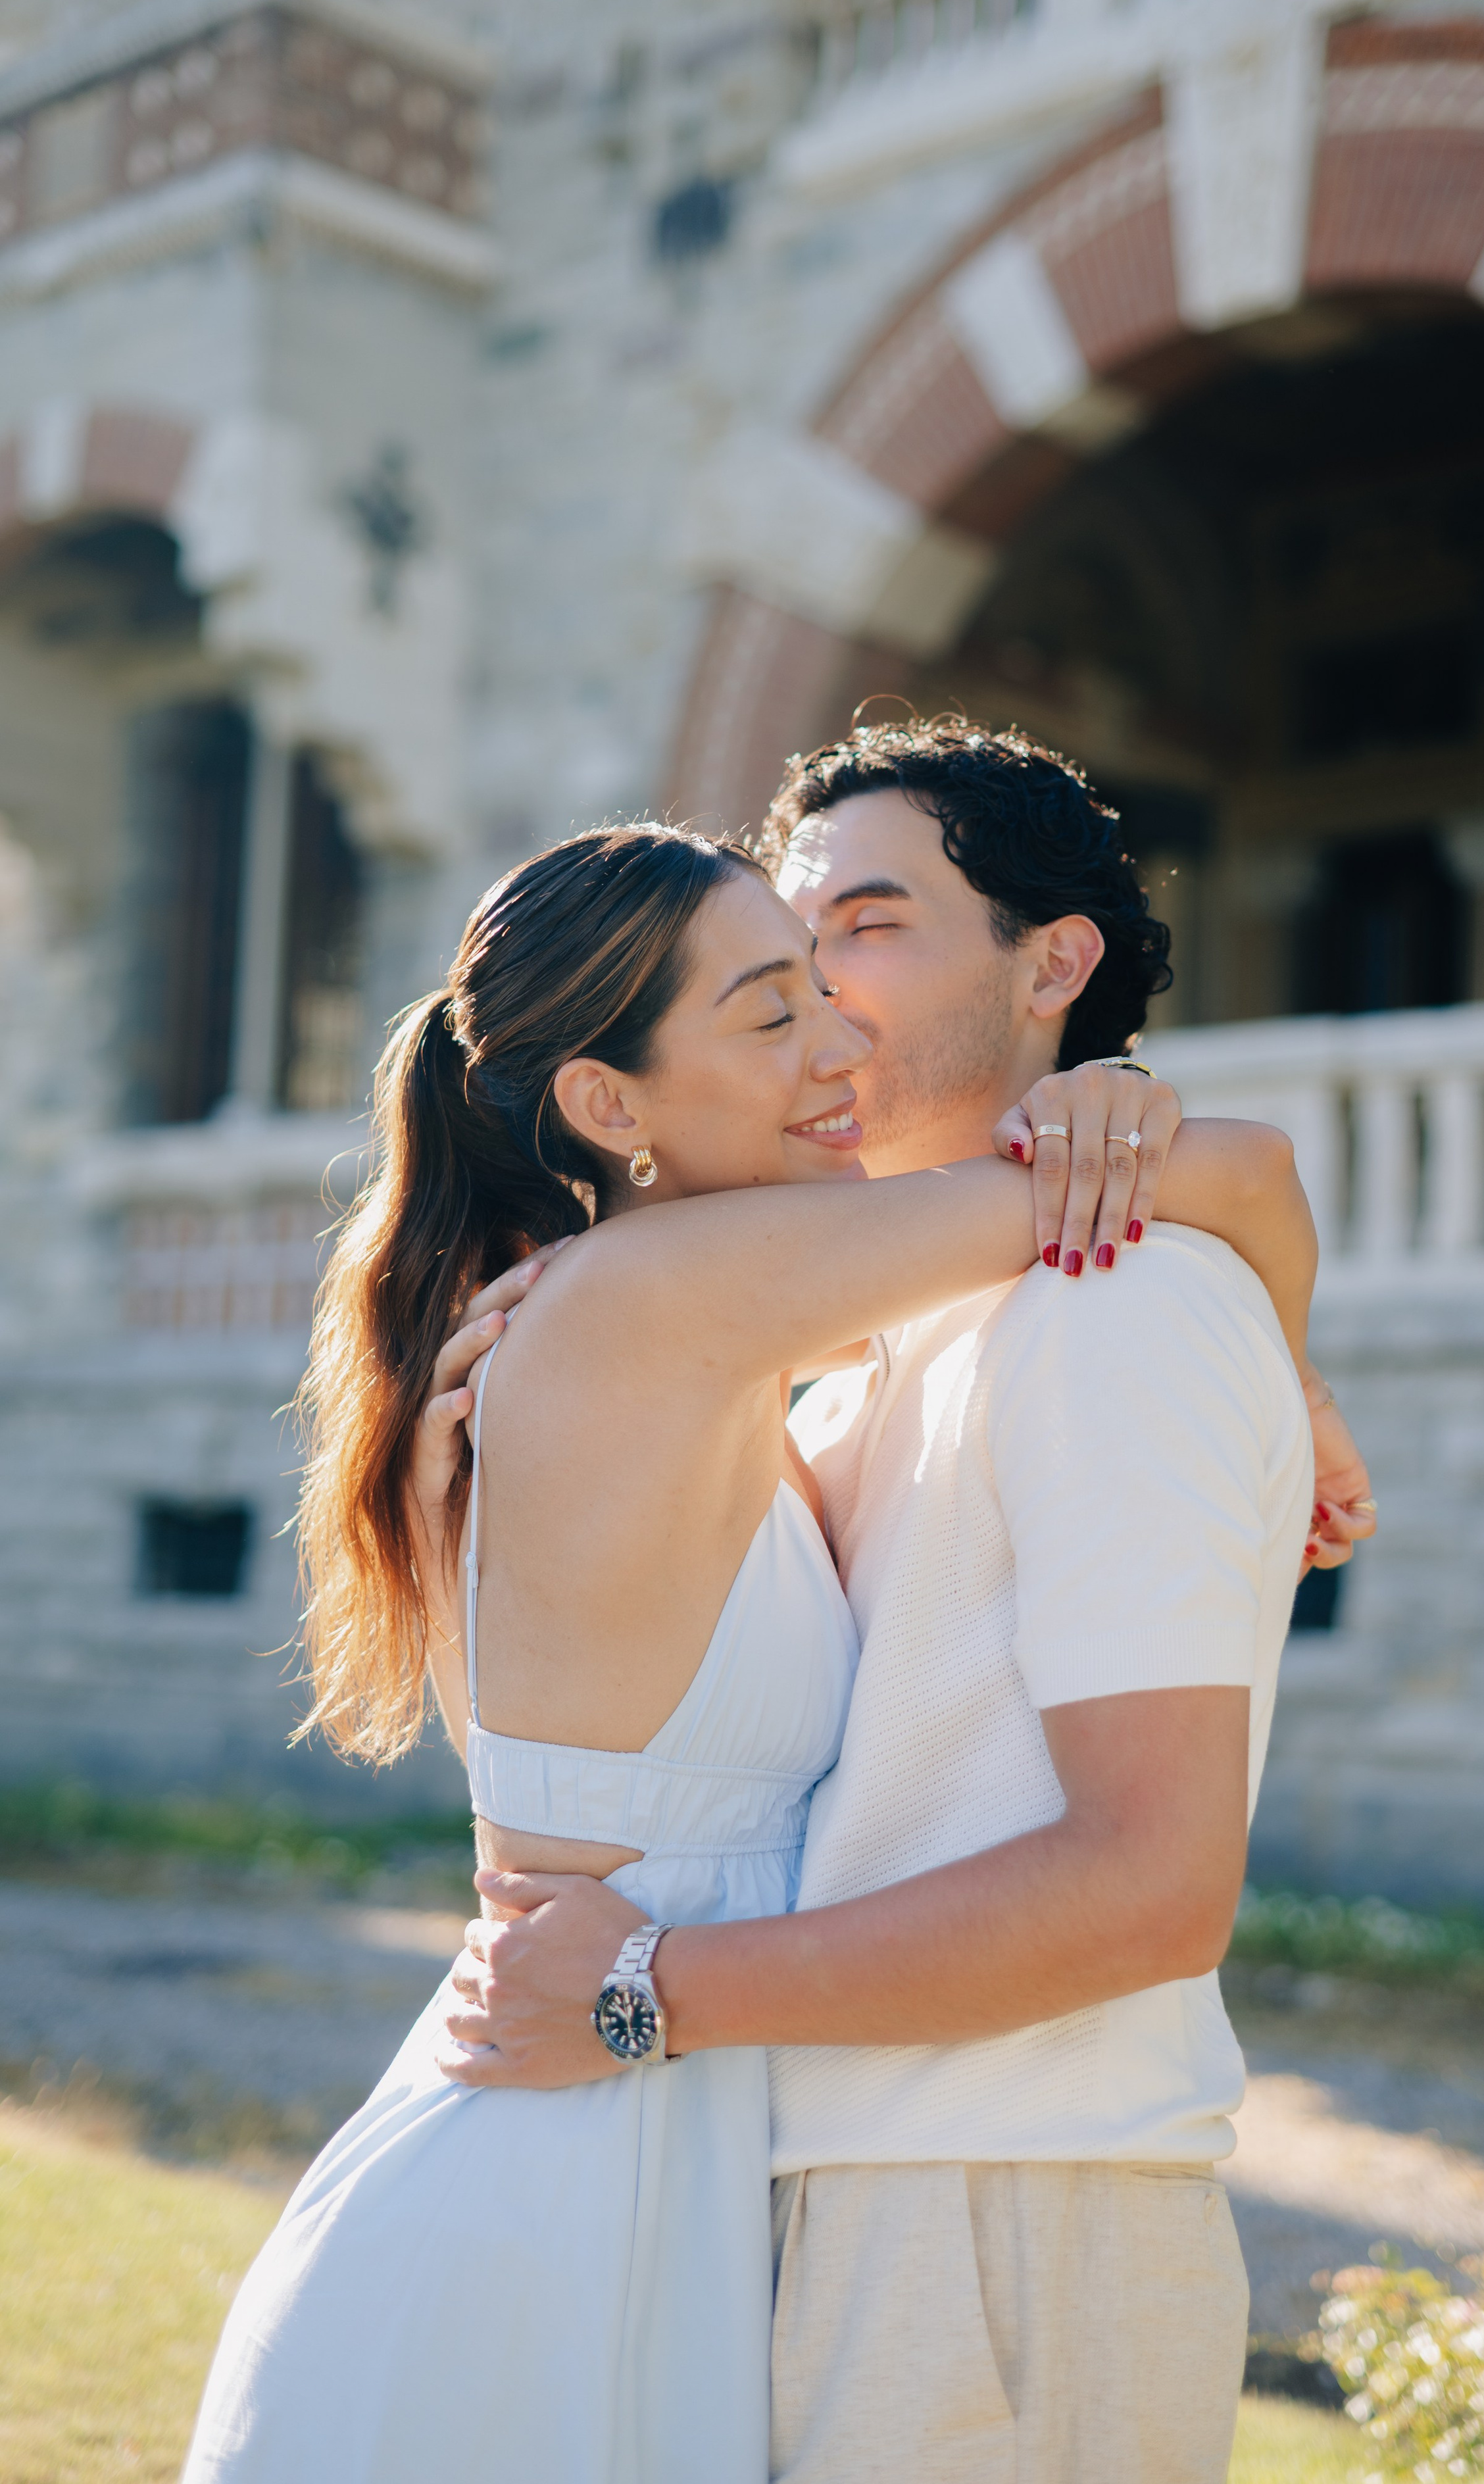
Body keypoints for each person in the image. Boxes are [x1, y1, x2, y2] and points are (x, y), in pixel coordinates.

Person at [184, 804, 1329, 2484]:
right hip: (574, 2170)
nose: (835, 1043)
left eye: (826, 977)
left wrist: (1264, 1384)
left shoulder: (678, 1334)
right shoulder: (660, 1289)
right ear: (610, 1106)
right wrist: (1226, 1274)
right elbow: (1247, 1178)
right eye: (769, 1011)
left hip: (658, 2135)